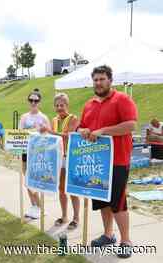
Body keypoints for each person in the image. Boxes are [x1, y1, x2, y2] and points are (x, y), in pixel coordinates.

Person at [78, 65, 138, 258]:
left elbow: (130, 125)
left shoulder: (122, 99)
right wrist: (82, 131)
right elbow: (81, 126)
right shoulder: (89, 104)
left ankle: (126, 240)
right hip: (96, 161)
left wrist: (103, 130)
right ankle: (108, 234)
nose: (98, 82)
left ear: (110, 80)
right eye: (95, 79)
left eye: (102, 79)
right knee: (102, 199)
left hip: (118, 160)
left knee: (118, 201)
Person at [19, 89, 51, 219]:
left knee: (36, 181)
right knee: (27, 180)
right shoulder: (24, 117)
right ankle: (34, 206)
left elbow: (48, 134)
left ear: (39, 102)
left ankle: (40, 207)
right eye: (31, 100)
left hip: (38, 154)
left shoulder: (43, 117)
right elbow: (19, 134)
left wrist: (42, 131)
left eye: (36, 100)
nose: (33, 102)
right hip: (25, 152)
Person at [50, 93, 80, 229]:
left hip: (71, 158)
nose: (59, 108)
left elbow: (68, 136)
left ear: (67, 105)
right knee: (61, 189)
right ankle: (64, 216)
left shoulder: (73, 118)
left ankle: (76, 218)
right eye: (57, 105)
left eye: (61, 105)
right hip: (58, 158)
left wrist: (50, 133)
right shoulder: (54, 120)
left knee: (72, 189)